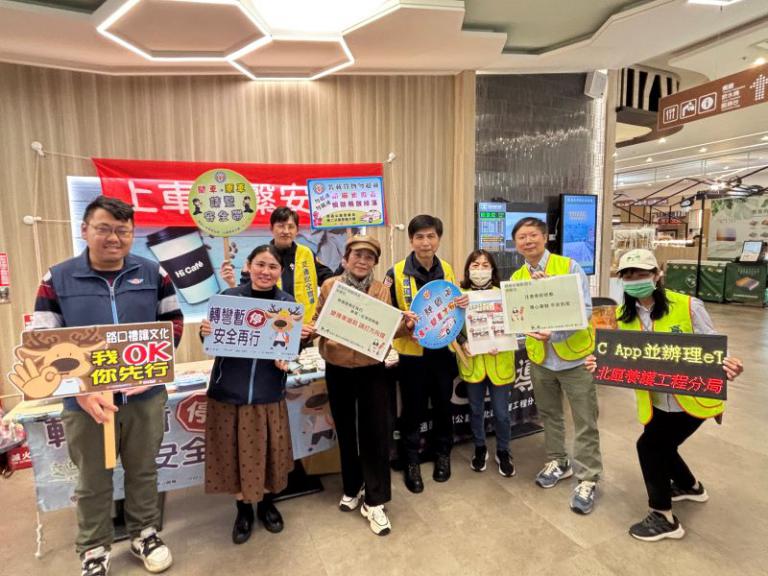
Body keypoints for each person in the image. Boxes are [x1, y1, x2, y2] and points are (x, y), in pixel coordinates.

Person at [30, 196, 183, 576]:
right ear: (85, 230)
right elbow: (43, 341)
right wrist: (79, 389)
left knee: (143, 469)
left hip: (144, 396)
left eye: (122, 230)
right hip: (86, 402)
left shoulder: (153, 273)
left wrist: (151, 370)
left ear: (132, 234)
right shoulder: (57, 278)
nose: (113, 238)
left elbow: (173, 323)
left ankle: (145, 533)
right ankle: (94, 548)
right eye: (104, 229)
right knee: (92, 477)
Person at [585, 249, 743, 541]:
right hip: (655, 400)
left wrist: (728, 363)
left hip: (692, 399)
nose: (635, 280)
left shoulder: (688, 306)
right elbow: (614, 354)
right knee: (663, 446)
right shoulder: (621, 316)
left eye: (641, 274)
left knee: (649, 447)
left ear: (657, 275)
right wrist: (599, 363)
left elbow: (712, 344)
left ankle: (663, 517)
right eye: (628, 275)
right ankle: (689, 486)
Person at [200, 245, 312, 545]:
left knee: (266, 454)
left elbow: (289, 349)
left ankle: (265, 505)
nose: (266, 272)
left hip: (267, 393)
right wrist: (206, 331)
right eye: (260, 264)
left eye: (272, 267)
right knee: (234, 455)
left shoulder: (287, 304)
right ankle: (242, 510)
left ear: (280, 271)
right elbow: (210, 341)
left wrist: (299, 343)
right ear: (248, 266)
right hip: (228, 393)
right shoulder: (229, 299)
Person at [305, 235, 416, 535]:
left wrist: (406, 325)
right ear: (345, 259)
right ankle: (352, 486)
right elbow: (318, 321)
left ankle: (375, 500)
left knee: (375, 432)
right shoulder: (330, 287)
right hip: (337, 368)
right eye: (357, 255)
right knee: (345, 429)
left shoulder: (381, 290)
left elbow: (389, 329)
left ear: (374, 263)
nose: (362, 261)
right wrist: (307, 332)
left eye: (369, 257)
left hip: (371, 370)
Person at [510, 217, 601, 514]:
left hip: (575, 357)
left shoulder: (568, 267)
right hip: (541, 359)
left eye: (533, 235)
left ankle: (588, 477)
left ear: (545, 237)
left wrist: (556, 332)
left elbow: (585, 310)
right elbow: (518, 317)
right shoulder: (517, 279)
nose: (527, 241)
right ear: (516, 244)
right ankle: (558, 461)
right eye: (521, 237)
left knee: (585, 419)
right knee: (549, 415)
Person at [385, 215, 468, 493]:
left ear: (438, 239)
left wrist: (463, 305)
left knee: (444, 406)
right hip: (412, 355)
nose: (425, 242)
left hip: (443, 352)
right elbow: (387, 314)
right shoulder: (395, 272)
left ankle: (442, 453)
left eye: (431, 236)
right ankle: (411, 460)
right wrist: (404, 325)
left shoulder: (447, 269)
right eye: (419, 237)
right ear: (411, 240)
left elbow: (454, 309)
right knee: (413, 409)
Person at [457, 250, 515, 477]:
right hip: (473, 362)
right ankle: (480, 447)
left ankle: (503, 450)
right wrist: (462, 342)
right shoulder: (460, 296)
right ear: (467, 269)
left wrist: (502, 340)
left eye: (484, 265)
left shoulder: (504, 295)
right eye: (475, 265)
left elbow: (516, 322)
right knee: (476, 410)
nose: (480, 270)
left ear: (492, 269)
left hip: (500, 360)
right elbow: (452, 328)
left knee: (501, 413)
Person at [221, 207, 334, 323]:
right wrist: (231, 283)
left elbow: (330, 281)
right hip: (270, 326)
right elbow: (246, 296)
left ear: (297, 230)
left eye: (291, 227)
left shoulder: (307, 254)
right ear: (271, 228)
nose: (286, 231)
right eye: (281, 226)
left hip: (306, 326)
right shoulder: (260, 257)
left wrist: (343, 266)